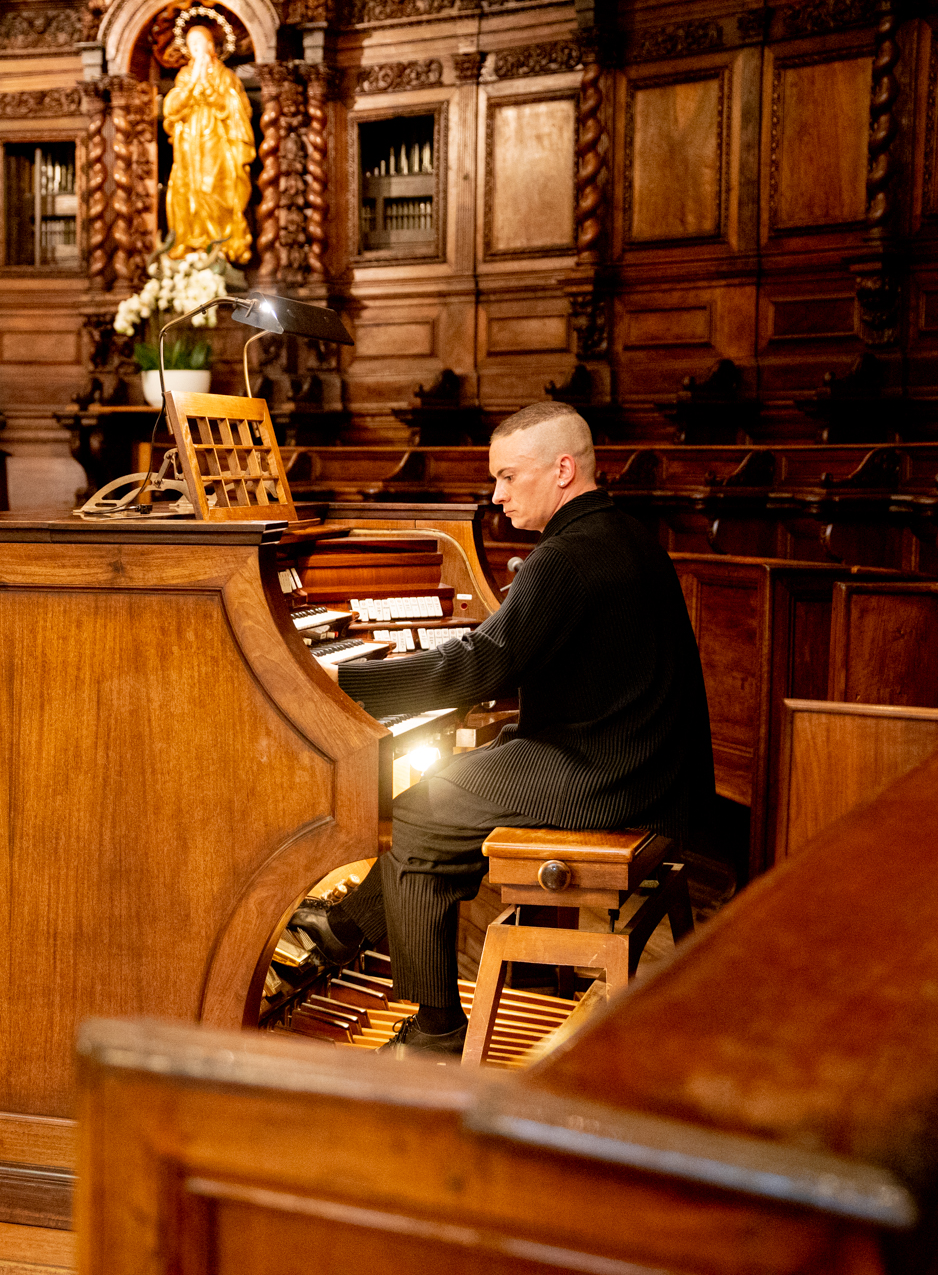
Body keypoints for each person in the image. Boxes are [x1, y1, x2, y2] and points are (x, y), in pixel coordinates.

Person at [291, 401, 713, 1055]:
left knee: (421, 812)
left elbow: (479, 667)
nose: (496, 496)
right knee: (458, 789)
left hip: (615, 777)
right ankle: (350, 925)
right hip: (651, 766)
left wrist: (336, 684)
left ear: (564, 470)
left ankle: (434, 1031)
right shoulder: (624, 535)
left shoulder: (566, 558)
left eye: (509, 477)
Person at [160, 10, 254, 264]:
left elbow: (238, 109)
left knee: (212, 188)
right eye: (191, 46)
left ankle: (221, 244)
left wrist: (211, 92)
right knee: (188, 190)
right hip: (190, 144)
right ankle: (193, 242)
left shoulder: (227, 77)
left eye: (200, 44)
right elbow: (171, 109)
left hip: (217, 142)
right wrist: (194, 86)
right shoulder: (184, 77)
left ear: (211, 47)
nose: (196, 50)